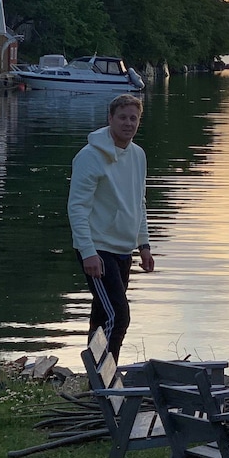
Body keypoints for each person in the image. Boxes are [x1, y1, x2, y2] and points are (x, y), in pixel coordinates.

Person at [68, 93, 153, 364]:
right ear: (110, 119)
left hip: (123, 249)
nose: (128, 123)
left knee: (102, 315)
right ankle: (105, 379)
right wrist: (88, 251)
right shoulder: (90, 157)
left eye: (133, 118)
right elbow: (77, 207)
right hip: (97, 248)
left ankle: (96, 383)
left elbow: (138, 202)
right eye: (122, 117)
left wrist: (145, 245)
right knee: (118, 315)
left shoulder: (138, 155)